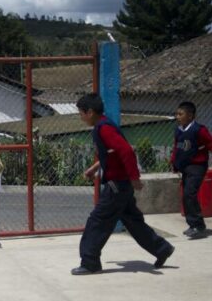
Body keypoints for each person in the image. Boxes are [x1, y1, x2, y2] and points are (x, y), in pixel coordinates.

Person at [71, 93, 174, 275]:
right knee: (133, 221)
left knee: (97, 222)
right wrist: (95, 168)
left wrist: (134, 177)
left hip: (116, 186)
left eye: (81, 113)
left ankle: (90, 262)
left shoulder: (104, 128)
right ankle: (161, 249)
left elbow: (126, 151)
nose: (80, 117)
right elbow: (113, 153)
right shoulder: (104, 125)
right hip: (121, 185)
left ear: (90, 112)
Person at [170, 101, 212, 239]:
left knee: (189, 194)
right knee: (186, 196)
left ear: (190, 116)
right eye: (177, 114)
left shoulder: (200, 130)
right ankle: (193, 224)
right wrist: (174, 163)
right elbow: (177, 148)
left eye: (181, 114)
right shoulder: (178, 130)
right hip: (185, 167)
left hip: (197, 167)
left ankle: (198, 226)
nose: (177, 117)